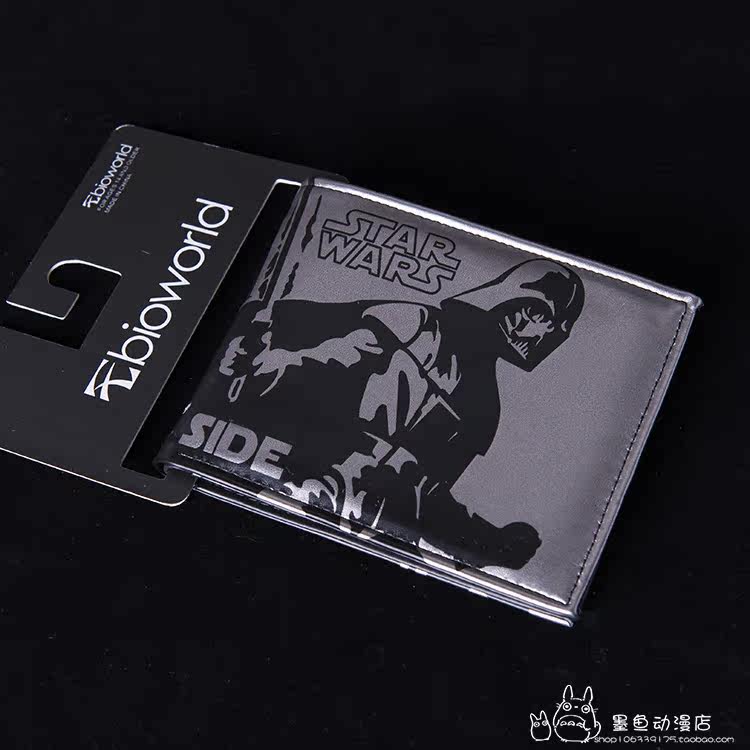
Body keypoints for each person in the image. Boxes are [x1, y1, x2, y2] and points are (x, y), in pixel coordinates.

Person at [222, 258, 584, 570]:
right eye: (538, 314)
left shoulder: (483, 410)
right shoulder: (416, 325)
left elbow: (425, 498)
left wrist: (485, 543)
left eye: (554, 326)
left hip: (354, 530)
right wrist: (260, 361)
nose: (541, 333)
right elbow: (325, 356)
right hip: (272, 472)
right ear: (506, 297)